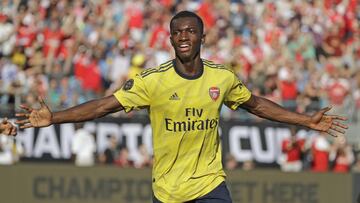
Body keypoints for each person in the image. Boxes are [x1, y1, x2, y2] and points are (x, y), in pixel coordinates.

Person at [15, 11, 348, 203]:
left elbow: (257, 105)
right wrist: (54, 117)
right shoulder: (152, 81)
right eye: (178, 32)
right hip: (169, 190)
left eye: (191, 30)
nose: (184, 36)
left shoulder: (223, 78)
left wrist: (305, 120)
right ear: (171, 40)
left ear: (202, 37)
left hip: (210, 184)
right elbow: (104, 106)